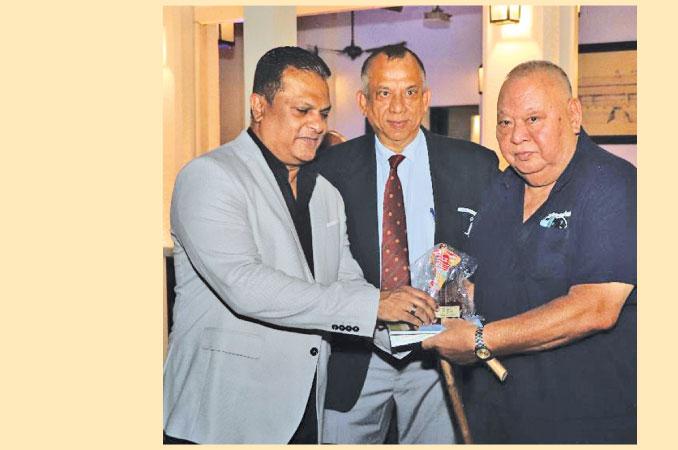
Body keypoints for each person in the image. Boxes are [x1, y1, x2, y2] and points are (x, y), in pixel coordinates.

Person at [163, 46, 436, 444]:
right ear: (259, 106)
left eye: (323, 113)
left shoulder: (325, 192)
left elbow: (346, 280)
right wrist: (375, 304)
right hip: (222, 413)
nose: (316, 125)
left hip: (306, 412)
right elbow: (244, 286)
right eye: (302, 111)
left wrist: (420, 329)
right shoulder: (210, 176)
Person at [423, 60, 637, 443]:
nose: (517, 136)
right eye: (505, 123)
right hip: (497, 416)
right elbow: (484, 283)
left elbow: (596, 307)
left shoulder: (611, 185)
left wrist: (478, 341)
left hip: (585, 421)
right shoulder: (500, 190)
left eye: (533, 119)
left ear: (573, 115)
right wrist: (436, 310)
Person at [314, 45, 499, 444]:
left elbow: (497, 254)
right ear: (363, 101)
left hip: (439, 360)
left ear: (426, 99)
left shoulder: (477, 166)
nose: (398, 106)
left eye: (410, 92)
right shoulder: (329, 171)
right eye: (384, 93)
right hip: (357, 355)